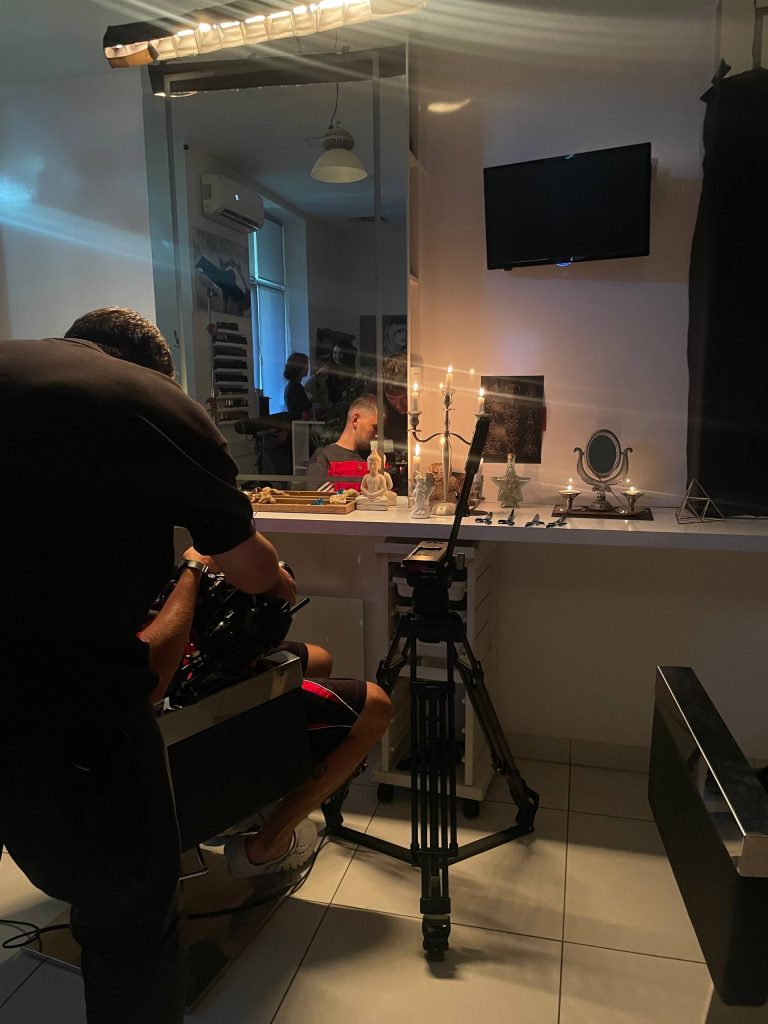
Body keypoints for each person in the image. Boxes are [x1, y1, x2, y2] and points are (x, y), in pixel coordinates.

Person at [0, 308, 296, 1024]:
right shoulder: (156, 403)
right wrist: (251, 577)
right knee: (132, 920)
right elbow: (250, 569)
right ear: (157, 369)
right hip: (70, 717)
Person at [64, 310, 391, 879]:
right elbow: (156, 674)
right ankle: (265, 844)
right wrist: (199, 567)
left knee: (316, 658)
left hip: (74, 704)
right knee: (376, 704)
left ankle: (254, 799)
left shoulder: (69, 474)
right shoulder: (158, 445)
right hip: (160, 703)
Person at [305, 393, 379, 490]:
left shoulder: (375, 459)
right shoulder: (324, 458)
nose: (378, 435)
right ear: (355, 420)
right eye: (375, 427)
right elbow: (317, 498)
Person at [283, 351, 311, 421]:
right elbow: (304, 409)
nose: (308, 368)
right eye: (306, 365)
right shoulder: (296, 388)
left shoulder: (291, 386)